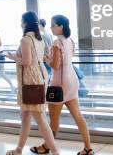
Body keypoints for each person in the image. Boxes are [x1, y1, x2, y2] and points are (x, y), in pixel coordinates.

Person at [31, 15, 94, 155]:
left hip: (59, 83)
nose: (52, 28)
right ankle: (88, 148)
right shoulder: (70, 40)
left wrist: (46, 59)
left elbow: (56, 65)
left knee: (53, 119)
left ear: (61, 27)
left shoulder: (57, 42)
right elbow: (66, 60)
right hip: (72, 80)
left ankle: (46, 146)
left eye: (53, 25)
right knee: (78, 116)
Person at [5, 12, 60, 155]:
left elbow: (27, 61)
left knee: (40, 118)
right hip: (39, 79)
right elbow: (37, 60)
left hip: (30, 83)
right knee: (25, 117)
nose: (20, 24)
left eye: (21, 21)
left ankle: (55, 151)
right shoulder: (39, 39)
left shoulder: (25, 40)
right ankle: (18, 149)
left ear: (26, 22)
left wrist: (13, 58)